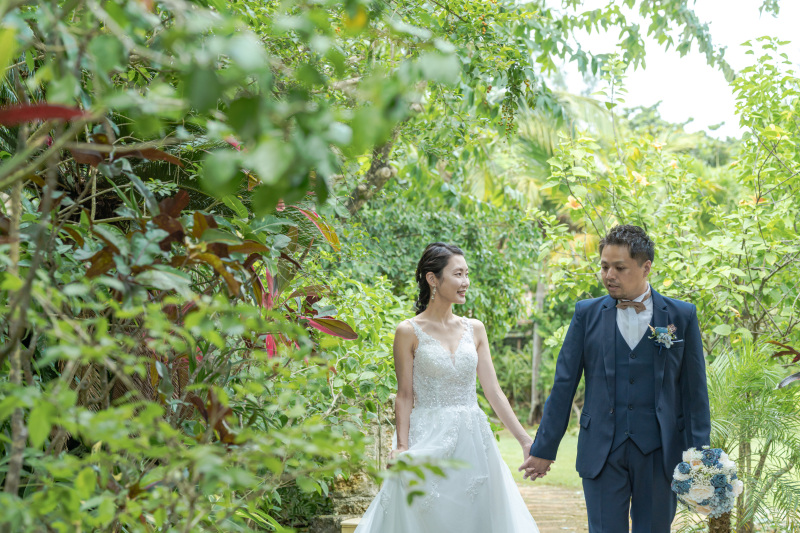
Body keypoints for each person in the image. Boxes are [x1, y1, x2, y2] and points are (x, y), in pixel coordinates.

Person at [520, 224, 711, 532]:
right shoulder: (586, 313)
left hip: (659, 453)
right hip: (601, 452)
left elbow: (695, 395)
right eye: (604, 266)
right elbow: (564, 384)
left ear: (646, 267)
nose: (609, 275)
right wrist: (544, 448)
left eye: (620, 268)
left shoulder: (681, 316)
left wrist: (701, 457)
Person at [355, 242, 539, 532]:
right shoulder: (408, 331)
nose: (465, 282)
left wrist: (525, 440)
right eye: (458, 274)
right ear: (433, 279)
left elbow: (493, 391)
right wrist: (401, 447)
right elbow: (405, 396)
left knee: (475, 517)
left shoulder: (475, 329)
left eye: (467, 274)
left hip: (473, 439)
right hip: (426, 436)